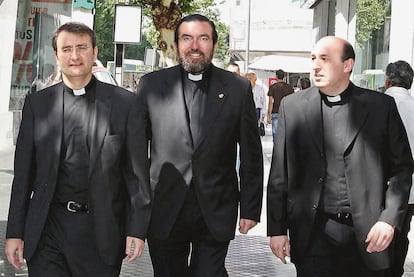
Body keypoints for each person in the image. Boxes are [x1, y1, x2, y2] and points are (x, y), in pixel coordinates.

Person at [5, 22, 145, 276]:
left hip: (100, 231)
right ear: (57, 56)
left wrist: (136, 229)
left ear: (94, 51)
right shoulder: (38, 105)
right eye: (66, 49)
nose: (75, 55)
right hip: (49, 229)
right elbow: (23, 175)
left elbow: (136, 175)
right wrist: (14, 232)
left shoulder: (125, 104)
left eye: (82, 47)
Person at [129, 14, 263, 276]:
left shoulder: (237, 88)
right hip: (164, 208)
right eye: (187, 38)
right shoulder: (152, 86)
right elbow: (135, 155)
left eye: (203, 38)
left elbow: (251, 154)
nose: (194, 46)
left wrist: (250, 208)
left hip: (215, 208)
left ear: (213, 43)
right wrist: (135, 215)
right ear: (177, 43)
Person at [267, 36, 413, 277]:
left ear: (348, 65)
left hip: (368, 233)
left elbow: (402, 169)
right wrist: (277, 228)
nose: (315, 66)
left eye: (325, 59)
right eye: (313, 59)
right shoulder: (293, 107)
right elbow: (279, 173)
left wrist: (389, 219)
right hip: (313, 234)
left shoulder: (380, 107)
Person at [384, 60, 414, 277]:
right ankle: (396, 270)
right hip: (409, 189)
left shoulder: (375, 105)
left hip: (379, 185)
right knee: (401, 232)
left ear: (387, 80)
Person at [267, 69, 294, 140]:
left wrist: (269, 115)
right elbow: (292, 101)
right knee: (286, 133)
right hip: (287, 113)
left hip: (276, 111)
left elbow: (270, 102)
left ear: (276, 76)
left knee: (275, 134)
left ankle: (276, 149)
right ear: (284, 77)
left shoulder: (272, 87)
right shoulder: (290, 87)